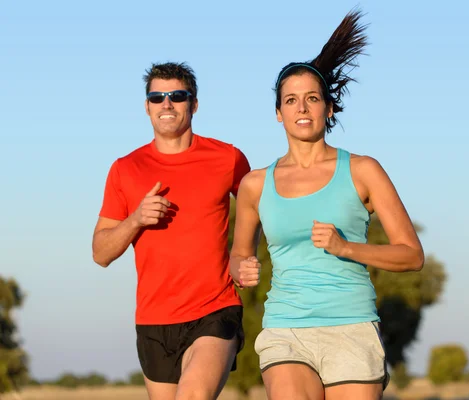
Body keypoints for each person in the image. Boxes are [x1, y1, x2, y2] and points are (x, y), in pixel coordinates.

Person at [228, 9, 425, 400]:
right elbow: (238, 256)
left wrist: (346, 248)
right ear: (278, 114)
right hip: (285, 326)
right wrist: (241, 269)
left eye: (312, 99)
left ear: (329, 109)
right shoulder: (254, 185)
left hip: (351, 326)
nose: (302, 108)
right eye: (291, 100)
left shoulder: (363, 171)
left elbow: (411, 255)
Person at [92, 62, 250, 400]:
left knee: (193, 395)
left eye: (177, 96)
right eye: (157, 97)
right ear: (147, 107)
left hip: (214, 308)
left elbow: (260, 209)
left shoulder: (228, 158)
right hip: (154, 319)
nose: (167, 104)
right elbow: (100, 253)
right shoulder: (125, 169)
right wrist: (135, 219)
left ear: (194, 104)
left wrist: (242, 253)